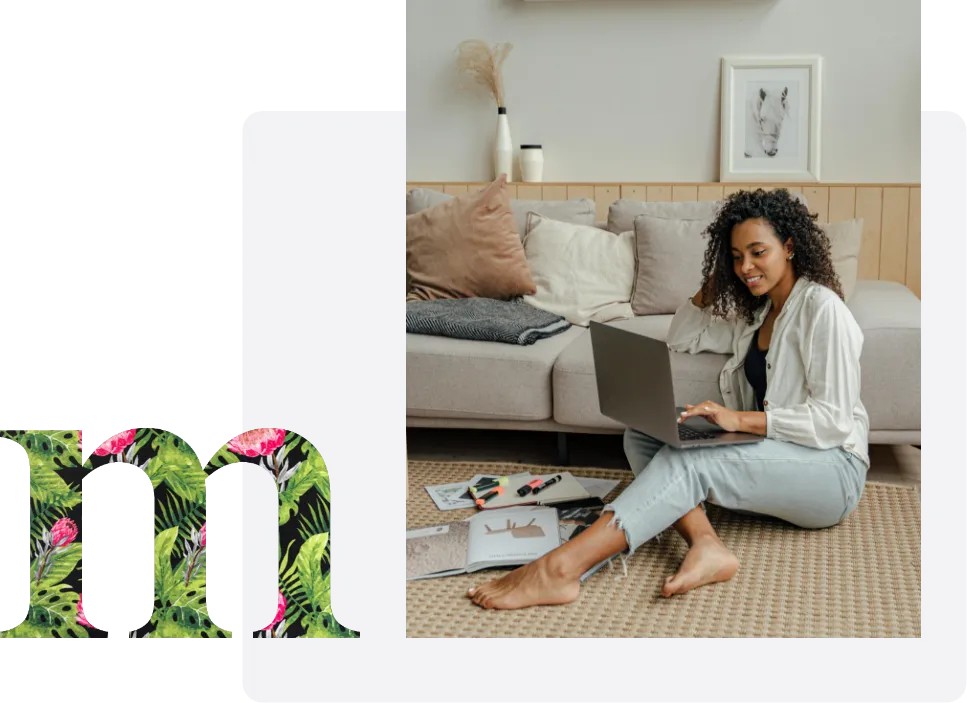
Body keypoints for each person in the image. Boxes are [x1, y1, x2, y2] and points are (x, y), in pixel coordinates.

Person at [467, 188, 871, 610]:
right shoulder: (757, 315)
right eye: (735, 256)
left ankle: (560, 570)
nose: (746, 266)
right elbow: (682, 336)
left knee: (690, 460)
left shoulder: (823, 310)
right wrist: (715, 285)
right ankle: (706, 543)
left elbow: (833, 421)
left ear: (789, 247)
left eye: (757, 253)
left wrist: (740, 421)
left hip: (832, 470)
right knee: (643, 435)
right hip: (778, 451)